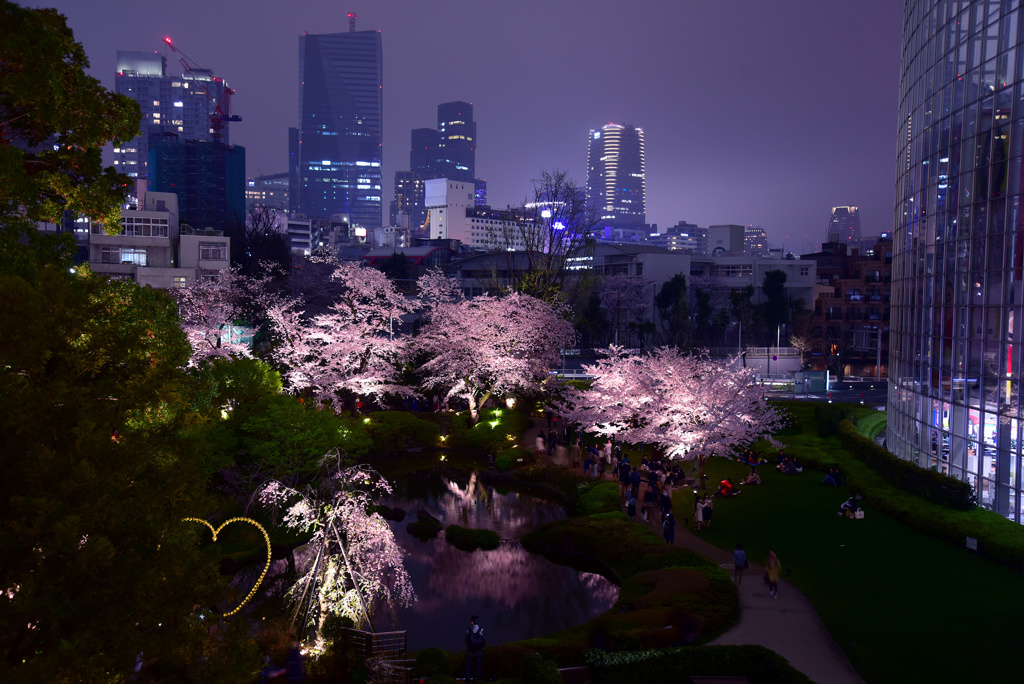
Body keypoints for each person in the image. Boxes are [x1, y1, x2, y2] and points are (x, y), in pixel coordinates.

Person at [465, 615, 485, 682]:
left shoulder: (468, 630)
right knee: (478, 667)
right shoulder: (481, 630)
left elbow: (466, 640)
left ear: (472, 621)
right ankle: (479, 681)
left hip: (469, 652)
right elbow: (483, 641)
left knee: (468, 668)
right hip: (478, 652)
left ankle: (467, 681)